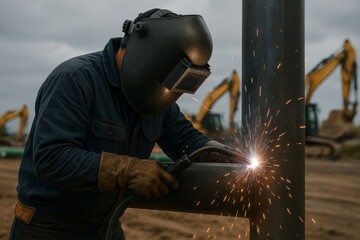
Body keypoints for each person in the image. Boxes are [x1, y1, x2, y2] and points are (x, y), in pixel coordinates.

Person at [9, 8, 238, 240]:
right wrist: (128, 170)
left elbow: (185, 140)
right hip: (47, 228)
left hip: (105, 226)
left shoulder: (155, 94)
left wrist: (230, 157)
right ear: (150, 56)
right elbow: (51, 159)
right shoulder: (74, 80)